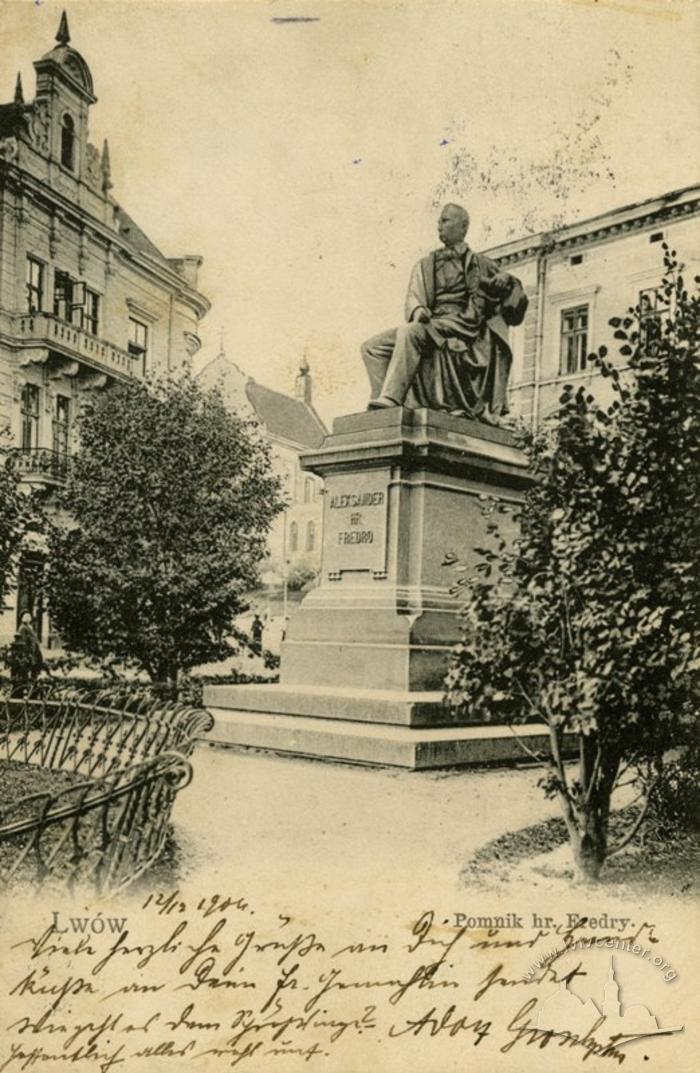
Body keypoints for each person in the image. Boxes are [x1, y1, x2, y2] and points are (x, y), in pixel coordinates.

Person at [361, 204, 528, 424]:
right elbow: (414, 297)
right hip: (433, 321)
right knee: (372, 348)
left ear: (463, 226)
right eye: (439, 221)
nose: (439, 226)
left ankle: (391, 398)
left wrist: (509, 280)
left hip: (464, 324)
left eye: (445, 221)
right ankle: (387, 414)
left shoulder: (482, 263)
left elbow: (516, 303)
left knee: (410, 333)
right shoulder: (425, 264)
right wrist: (418, 309)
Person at [9, 611, 44, 693]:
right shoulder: (23, 628)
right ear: (22, 618)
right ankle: (27, 688)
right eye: (25, 616)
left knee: (35, 671)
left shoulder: (30, 627)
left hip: (35, 653)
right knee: (28, 671)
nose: (28, 618)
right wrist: (28, 653)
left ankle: (33, 689)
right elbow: (23, 642)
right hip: (29, 654)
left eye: (29, 616)